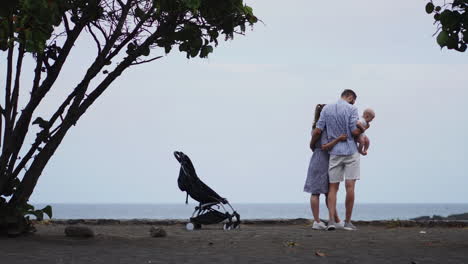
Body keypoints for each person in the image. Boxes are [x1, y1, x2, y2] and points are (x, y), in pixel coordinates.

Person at [310, 89, 365, 231]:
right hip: (350, 151)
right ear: (350, 97)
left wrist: (312, 144)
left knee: (333, 188)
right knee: (350, 186)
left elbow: (318, 130)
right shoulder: (352, 108)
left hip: (334, 153)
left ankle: (331, 222)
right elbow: (354, 131)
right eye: (353, 100)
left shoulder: (326, 108)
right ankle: (347, 222)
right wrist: (365, 127)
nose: (353, 102)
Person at [304, 104, 347, 230]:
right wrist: (339, 139)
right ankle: (317, 221)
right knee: (317, 191)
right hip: (322, 159)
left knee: (327, 192)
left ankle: (336, 220)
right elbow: (324, 146)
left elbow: (312, 145)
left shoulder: (317, 128)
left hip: (322, 158)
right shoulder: (323, 129)